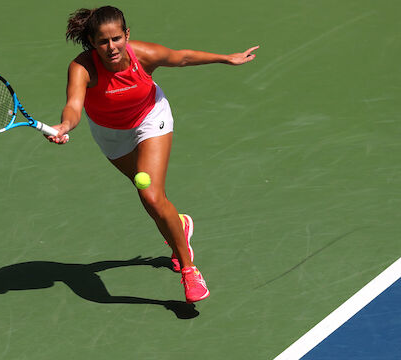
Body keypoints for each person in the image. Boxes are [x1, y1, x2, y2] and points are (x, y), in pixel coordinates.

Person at [46, 6, 258, 303]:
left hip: (150, 118)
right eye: (103, 41)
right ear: (92, 42)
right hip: (110, 134)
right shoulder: (82, 68)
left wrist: (227, 58)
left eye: (117, 39)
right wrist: (66, 125)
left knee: (151, 195)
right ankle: (179, 226)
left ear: (127, 35)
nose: (111, 47)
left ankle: (189, 270)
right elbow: (73, 104)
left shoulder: (142, 54)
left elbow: (181, 57)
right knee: (152, 198)